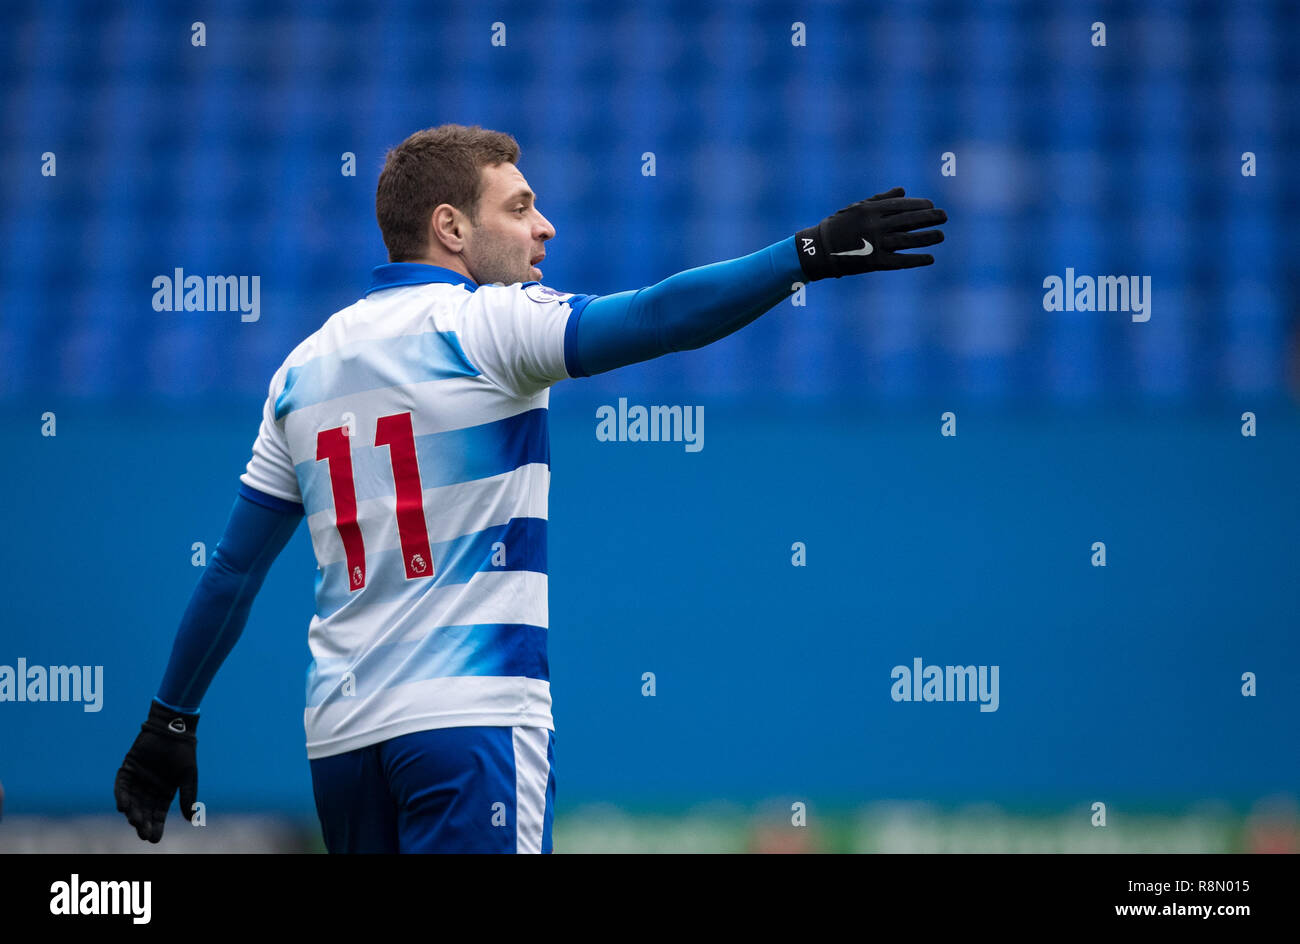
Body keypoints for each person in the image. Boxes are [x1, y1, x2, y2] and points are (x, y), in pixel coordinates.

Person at [113, 123, 947, 853]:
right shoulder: (489, 323)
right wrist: (807, 253)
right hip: (471, 724)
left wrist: (170, 719)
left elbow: (233, 571)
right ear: (450, 226)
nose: (544, 227)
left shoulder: (301, 370)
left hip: (341, 742)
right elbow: (660, 317)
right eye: (518, 208)